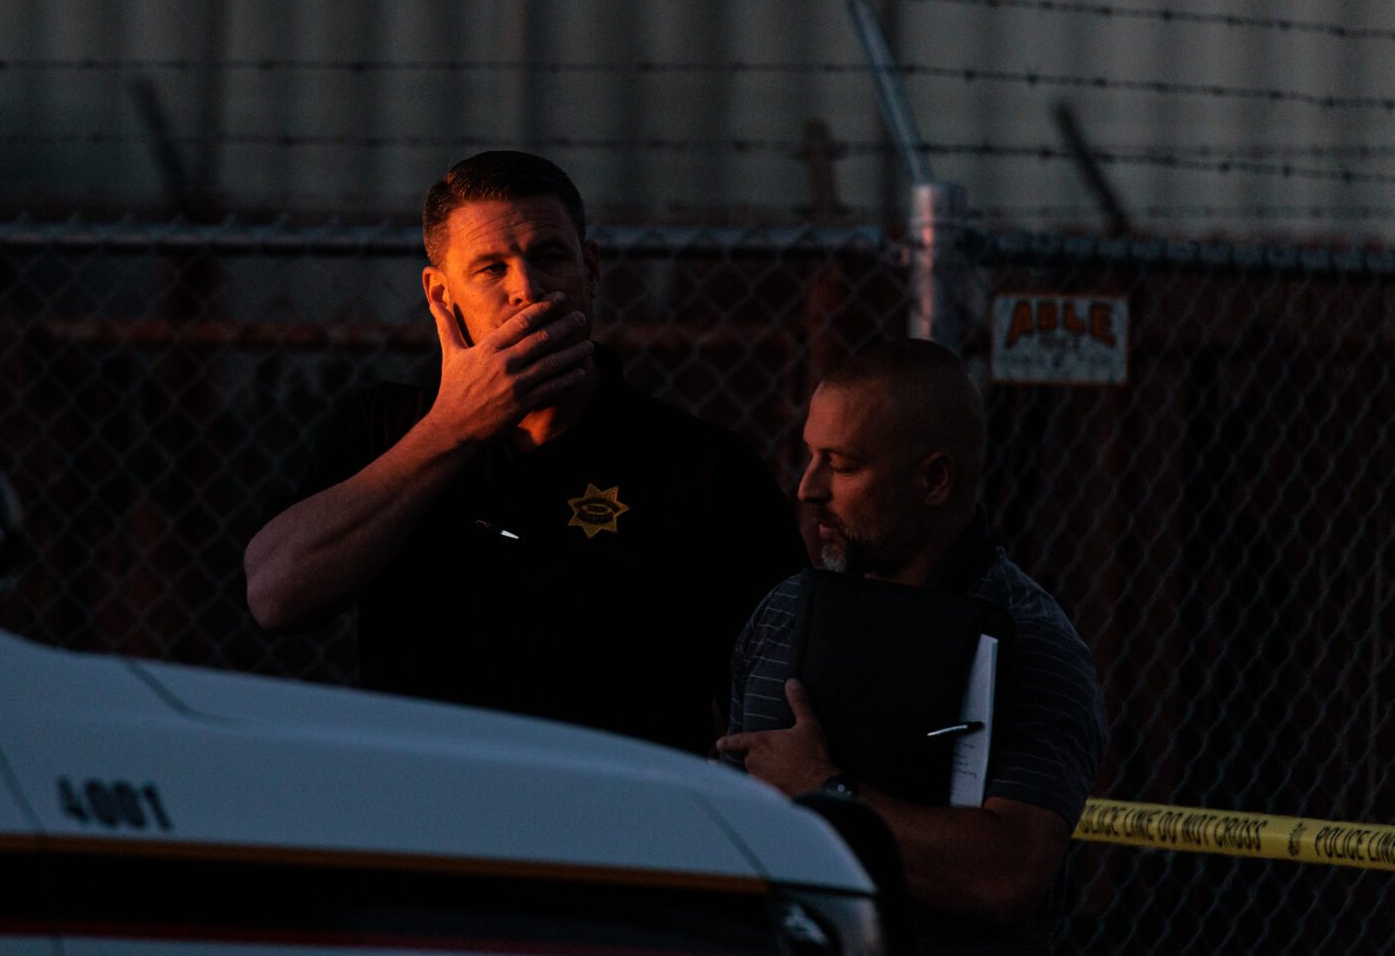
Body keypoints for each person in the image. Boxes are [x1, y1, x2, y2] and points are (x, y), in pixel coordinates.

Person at [244, 150, 807, 755]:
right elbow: (276, 594)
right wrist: (452, 428)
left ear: (589, 269)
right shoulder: (383, 428)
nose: (528, 289)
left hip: (613, 820)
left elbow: (777, 705)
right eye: (490, 268)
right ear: (441, 292)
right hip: (428, 813)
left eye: (550, 256)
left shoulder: (697, 465)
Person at [716, 339, 1107, 954]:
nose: (806, 488)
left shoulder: (1030, 642)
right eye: (809, 456)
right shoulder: (785, 610)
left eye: (840, 466)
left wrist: (824, 787)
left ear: (933, 479)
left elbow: (1004, 871)